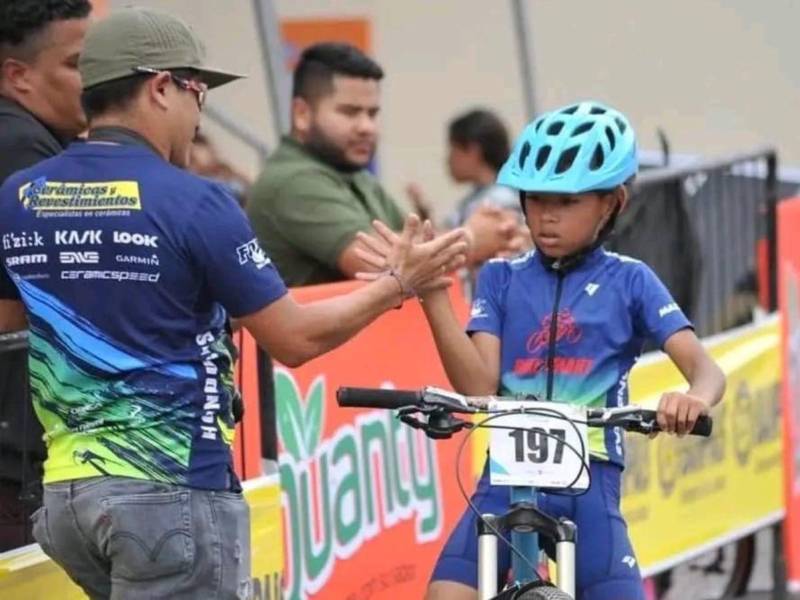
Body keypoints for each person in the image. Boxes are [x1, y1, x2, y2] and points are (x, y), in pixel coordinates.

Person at [0, 7, 467, 599]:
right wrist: (399, 281)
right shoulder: (195, 202)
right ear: (161, 87)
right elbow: (293, 339)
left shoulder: (21, 194)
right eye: (198, 91)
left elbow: (10, 321)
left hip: (65, 499)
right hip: (171, 491)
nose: (200, 115)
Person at [356, 101, 726, 600]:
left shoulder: (632, 280)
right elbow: (477, 386)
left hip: (590, 483)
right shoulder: (501, 277)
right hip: (503, 480)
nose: (546, 216)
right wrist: (434, 291)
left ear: (612, 202)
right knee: (444, 595)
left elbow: (706, 372)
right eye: (535, 198)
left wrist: (693, 400)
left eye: (567, 201)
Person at [247, 42, 516, 287]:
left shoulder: (351, 173)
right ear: (302, 114)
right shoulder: (292, 181)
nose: (367, 127)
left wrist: (503, 238)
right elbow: (388, 266)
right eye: (350, 112)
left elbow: (412, 243)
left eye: (372, 113)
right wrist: (470, 239)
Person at [0, 0, 92, 551]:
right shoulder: (20, 146)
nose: (98, 78)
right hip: (14, 461)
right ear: (19, 76)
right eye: (79, 63)